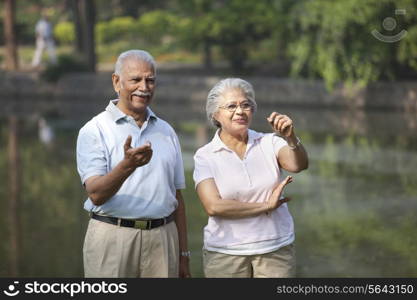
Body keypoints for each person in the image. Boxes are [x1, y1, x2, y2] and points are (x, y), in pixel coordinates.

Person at [76, 49, 191, 278]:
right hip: (112, 237)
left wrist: (183, 254)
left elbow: (176, 196)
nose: (144, 87)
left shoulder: (166, 131)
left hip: (163, 238)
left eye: (150, 80)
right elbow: (96, 194)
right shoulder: (95, 130)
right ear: (116, 82)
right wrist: (127, 165)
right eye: (136, 79)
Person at [193, 78, 308, 278]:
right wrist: (266, 206)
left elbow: (298, 165)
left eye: (245, 105)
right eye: (231, 106)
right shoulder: (205, 155)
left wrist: (291, 138)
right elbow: (214, 206)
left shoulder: (269, 142)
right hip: (225, 253)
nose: (240, 111)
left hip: (275, 249)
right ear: (215, 114)